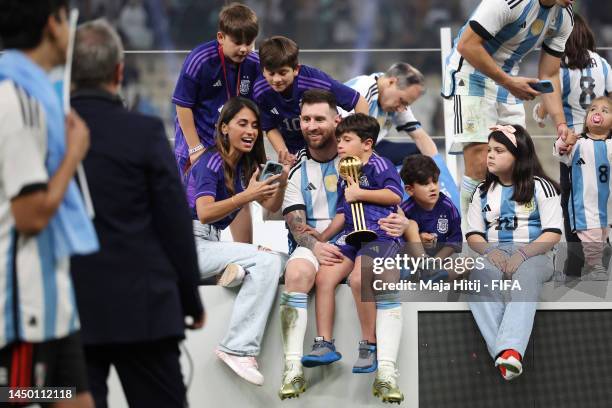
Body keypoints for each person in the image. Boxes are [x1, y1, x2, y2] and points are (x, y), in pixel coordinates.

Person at [68, 20, 205, 408]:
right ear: (118, 71)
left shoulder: (47, 133)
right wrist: (190, 299)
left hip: (70, 315)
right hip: (144, 312)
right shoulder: (143, 132)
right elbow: (174, 222)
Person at [279, 90, 411, 400]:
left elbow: (395, 197)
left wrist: (361, 194)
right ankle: (324, 342)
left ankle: (370, 346)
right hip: (350, 236)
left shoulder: (378, 165)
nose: (340, 145)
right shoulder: (343, 171)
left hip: (380, 236)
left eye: (345, 139)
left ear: (366, 143)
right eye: (340, 140)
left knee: (358, 279)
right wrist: (319, 239)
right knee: (325, 275)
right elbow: (342, 211)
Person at [0, 1, 98, 406]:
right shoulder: (15, 97)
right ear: (53, 25)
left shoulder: (35, 92)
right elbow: (31, 215)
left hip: (53, 299)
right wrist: (74, 153)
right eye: (67, 19)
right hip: (24, 307)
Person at [442, 0, 575, 229]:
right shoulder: (511, 2)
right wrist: (508, 82)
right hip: (470, 76)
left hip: (508, 79)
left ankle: (506, 231)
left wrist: (560, 124)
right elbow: (467, 45)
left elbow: (550, 73)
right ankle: (469, 236)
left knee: (516, 158)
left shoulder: (564, 16)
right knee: (479, 159)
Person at [185, 96, 287, 386]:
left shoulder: (244, 167)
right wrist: (247, 196)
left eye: (255, 125)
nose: (251, 131)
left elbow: (270, 207)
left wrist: (283, 181)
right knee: (266, 260)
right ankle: (237, 348)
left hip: (210, 243)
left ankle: (235, 272)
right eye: (242, 123)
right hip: (187, 244)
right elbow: (204, 213)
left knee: (282, 261)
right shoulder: (211, 160)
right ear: (225, 128)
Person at [466, 125, 562, 381]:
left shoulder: (542, 187)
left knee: (526, 275)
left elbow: (553, 233)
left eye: (498, 150)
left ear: (517, 155)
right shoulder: (481, 192)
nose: (490, 156)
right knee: (477, 277)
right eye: (489, 150)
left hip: (535, 255)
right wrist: (489, 251)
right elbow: (474, 235)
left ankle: (508, 349)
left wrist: (523, 255)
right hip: (495, 253)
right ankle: (508, 356)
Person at [534, 13, 612, 276]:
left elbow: (549, 100)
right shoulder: (601, 63)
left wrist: (540, 114)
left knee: (573, 203)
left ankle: (576, 263)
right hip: (602, 141)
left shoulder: (559, 66)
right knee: (603, 198)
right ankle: (602, 252)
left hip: (572, 143)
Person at [172, 2, 259, 173]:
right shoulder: (200, 59)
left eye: (249, 43)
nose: (243, 49)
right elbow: (182, 105)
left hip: (235, 149)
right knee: (194, 198)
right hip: (199, 145)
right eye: (237, 42)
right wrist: (195, 148)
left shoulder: (255, 64)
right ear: (221, 37)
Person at [253, 35, 369, 164]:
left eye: (282, 73)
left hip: (331, 149)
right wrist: (284, 152)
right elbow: (269, 127)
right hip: (297, 155)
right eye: (271, 73)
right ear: (263, 71)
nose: (276, 79)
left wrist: (358, 143)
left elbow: (359, 101)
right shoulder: (260, 92)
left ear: (296, 69)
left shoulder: (315, 80)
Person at [553, 96, 612, 280]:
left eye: (605, 110)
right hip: (585, 206)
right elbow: (559, 151)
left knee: (601, 235)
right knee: (591, 236)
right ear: (586, 120)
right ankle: (596, 267)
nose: (597, 113)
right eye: (593, 109)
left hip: (607, 206)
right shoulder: (577, 144)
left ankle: (600, 259)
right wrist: (565, 141)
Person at [342, 62, 428, 165]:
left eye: (406, 104)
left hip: (369, 147)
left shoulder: (394, 99)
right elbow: (342, 139)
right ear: (391, 82)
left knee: (417, 153)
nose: (401, 109)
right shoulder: (362, 91)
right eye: (402, 101)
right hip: (345, 151)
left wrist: (443, 178)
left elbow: (420, 137)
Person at [399, 155, 462, 277]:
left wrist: (435, 262)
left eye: (435, 181)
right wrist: (418, 240)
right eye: (425, 184)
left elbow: (456, 239)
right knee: (409, 226)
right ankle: (422, 268)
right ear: (410, 190)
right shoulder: (405, 211)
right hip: (414, 262)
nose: (433, 187)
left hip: (440, 260)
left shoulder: (448, 206)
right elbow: (398, 245)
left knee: (467, 263)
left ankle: (435, 275)